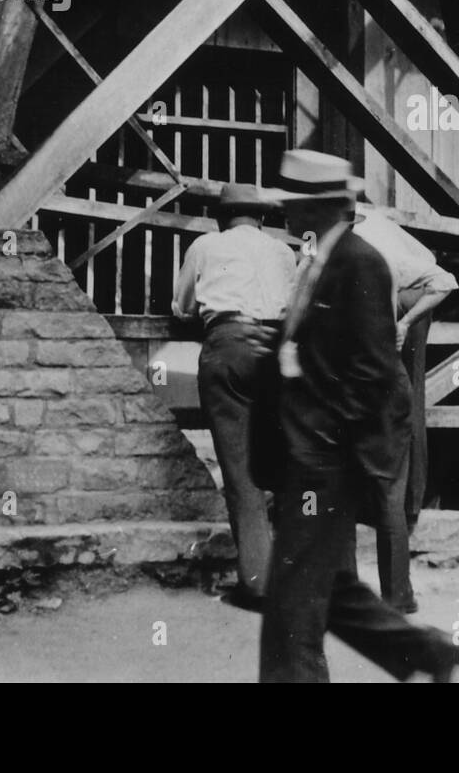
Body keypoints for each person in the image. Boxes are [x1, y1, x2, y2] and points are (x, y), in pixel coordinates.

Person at [260, 149, 459, 683]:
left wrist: (327, 442)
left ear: (324, 206)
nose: (287, 211)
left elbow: (374, 370)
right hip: (306, 455)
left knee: (293, 602)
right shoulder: (320, 260)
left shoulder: (360, 262)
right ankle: (426, 652)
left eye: (295, 203)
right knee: (326, 585)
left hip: (324, 459)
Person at [172, 182, 295, 610]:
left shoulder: (206, 246)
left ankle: (259, 585)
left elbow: (182, 306)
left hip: (228, 345)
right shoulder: (283, 252)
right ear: (260, 218)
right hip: (275, 352)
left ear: (221, 218)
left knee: (242, 475)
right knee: (281, 468)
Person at [352, 203, 458, 612]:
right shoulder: (366, 228)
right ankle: (403, 504)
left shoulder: (364, 247)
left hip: (408, 298)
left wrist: (403, 322)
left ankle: (408, 499)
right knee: (401, 405)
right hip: (404, 301)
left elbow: (444, 281)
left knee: (401, 406)